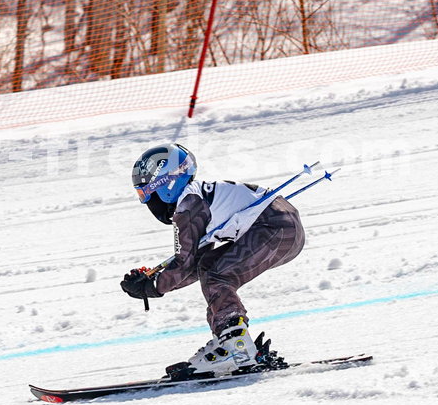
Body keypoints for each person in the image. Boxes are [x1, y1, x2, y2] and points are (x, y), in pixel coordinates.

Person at [121, 143, 305, 379]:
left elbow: (183, 263)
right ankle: (231, 342)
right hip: (282, 227)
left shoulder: (188, 207)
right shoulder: (193, 199)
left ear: (166, 185)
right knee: (209, 267)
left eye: (146, 193)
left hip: (276, 228)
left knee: (218, 275)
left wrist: (153, 286)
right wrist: (155, 281)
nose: (147, 201)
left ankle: (236, 347)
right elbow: (193, 265)